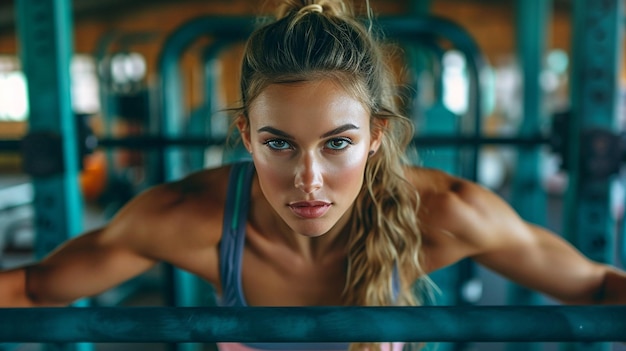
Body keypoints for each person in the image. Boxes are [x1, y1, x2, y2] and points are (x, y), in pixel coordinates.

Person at [1, 0, 625, 350]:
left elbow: (597, 288)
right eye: (278, 143)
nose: (308, 179)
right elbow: (33, 289)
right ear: (246, 136)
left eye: (338, 144)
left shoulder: (448, 213)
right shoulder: (187, 217)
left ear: (376, 136)